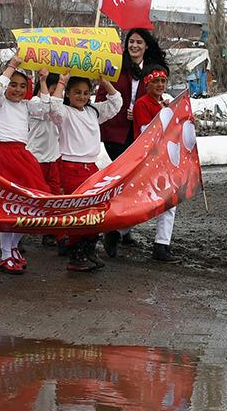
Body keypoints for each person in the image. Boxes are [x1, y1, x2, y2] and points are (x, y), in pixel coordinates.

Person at [98, 27, 167, 256]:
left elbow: (155, 96)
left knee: (135, 181)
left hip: (140, 134)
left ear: (146, 45)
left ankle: (122, 229)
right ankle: (116, 227)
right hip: (117, 133)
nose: (134, 45)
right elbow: (103, 97)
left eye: (139, 42)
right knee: (127, 180)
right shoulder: (116, 67)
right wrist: (122, 114)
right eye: (131, 41)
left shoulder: (151, 69)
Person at [48, 73, 122, 272]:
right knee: (77, 211)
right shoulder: (63, 112)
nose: (81, 96)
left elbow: (116, 103)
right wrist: (62, 82)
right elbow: (54, 107)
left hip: (91, 167)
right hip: (70, 167)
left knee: (95, 210)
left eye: (86, 93)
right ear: (68, 94)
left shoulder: (93, 111)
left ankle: (89, 248)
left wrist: (104, 82)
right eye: (77, 92)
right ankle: (75, 253)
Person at [0, 55, 51, 275]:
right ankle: (5, 254)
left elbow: (44, 109)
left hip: (21, 155)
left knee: (33, 200)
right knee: (8, 205)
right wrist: (11, 66)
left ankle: (14, 246)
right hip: (2, 154)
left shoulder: (26, 106)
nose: (17, 90)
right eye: (13, 85)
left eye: (23, 86)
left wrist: (43, 81)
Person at [133, 64, 180, 264]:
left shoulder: (165, 104)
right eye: (155, 81)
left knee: (169, 201)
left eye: (163, 81)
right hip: (148, 161)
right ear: (147, 84)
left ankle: (162, 244)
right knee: (140, 200)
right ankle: (118, 231)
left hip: (164, 161)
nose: (160, 85)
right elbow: (147, 132)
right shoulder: (143, 104)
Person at [27, 72, 62, 248]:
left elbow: (54, 108)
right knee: (33, 197)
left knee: (55, 196)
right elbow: (45, 107)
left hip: (53, 158)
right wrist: (42, 80)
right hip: (35, 158)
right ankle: (17, 232)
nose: (56, 93)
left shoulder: (59, 105)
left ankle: (51, 231)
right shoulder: (33, 103)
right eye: (53, 88)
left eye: (59, 89)